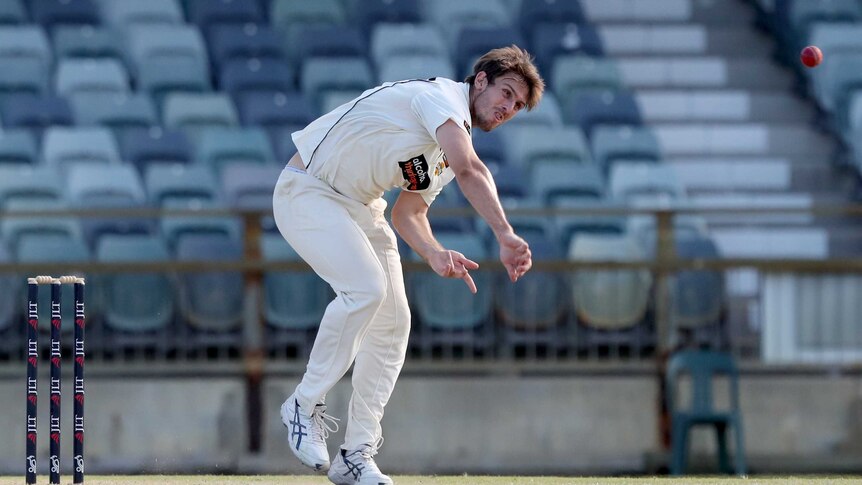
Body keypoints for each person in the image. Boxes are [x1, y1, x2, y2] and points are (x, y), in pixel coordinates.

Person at [273, 45, 544, 485]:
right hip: (308, 190)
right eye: (506, 93)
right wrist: (505, 233)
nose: (507, 108)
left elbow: (408, 214)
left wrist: (434, 252)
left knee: (394, 323)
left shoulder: (447, 148)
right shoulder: (440, 99)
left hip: (362, 207)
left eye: (516, 106)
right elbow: (472, 169)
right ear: (480, 81)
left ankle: (355, 454)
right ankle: (303, 404)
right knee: (366, 290)